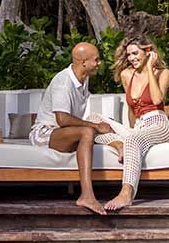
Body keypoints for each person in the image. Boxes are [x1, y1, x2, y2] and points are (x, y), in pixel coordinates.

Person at [88, 35, 169, 212]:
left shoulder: (162, 72)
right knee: (92, 120)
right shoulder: (126, 75)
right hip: (139, 127)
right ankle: (120, 145)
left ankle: (126, 193)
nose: (131, 58)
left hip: (159, 124)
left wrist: (149, 68)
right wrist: (130, 131)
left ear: (148, 51)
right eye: (128, 55)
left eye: (135, 53)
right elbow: (131, 109)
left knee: (133, 140)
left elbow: (157, 99)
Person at [29, 41, 112, 215]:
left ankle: (121, 149)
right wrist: (95, 126)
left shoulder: (84, 78)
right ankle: (87, 196)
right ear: (83, 62)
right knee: (88, 131)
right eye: (96, 60)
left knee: (95, 131)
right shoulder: (63, 82)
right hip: (44, 133)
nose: (99, 63)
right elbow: (63, 119)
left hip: (65, 133)